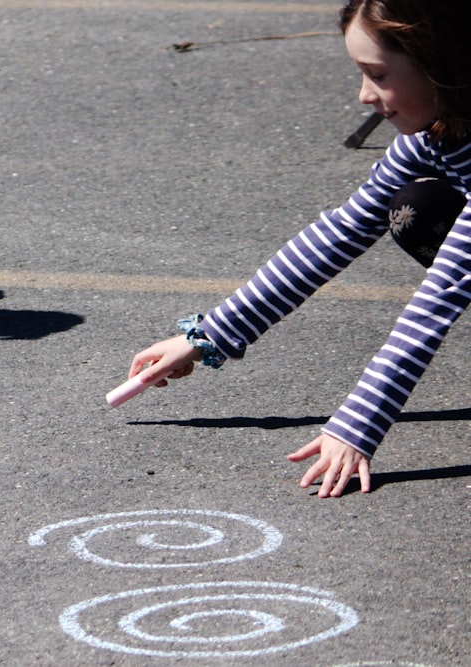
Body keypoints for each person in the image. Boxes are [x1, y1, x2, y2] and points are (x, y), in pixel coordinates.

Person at [126, 0, 471, 498]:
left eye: (377, 74)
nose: (363, 95)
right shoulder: (436, 133)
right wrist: (206, 338)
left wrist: (357, 425)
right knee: (417, 209)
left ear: (442, 63)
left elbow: (438, 299)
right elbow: (339, 234)